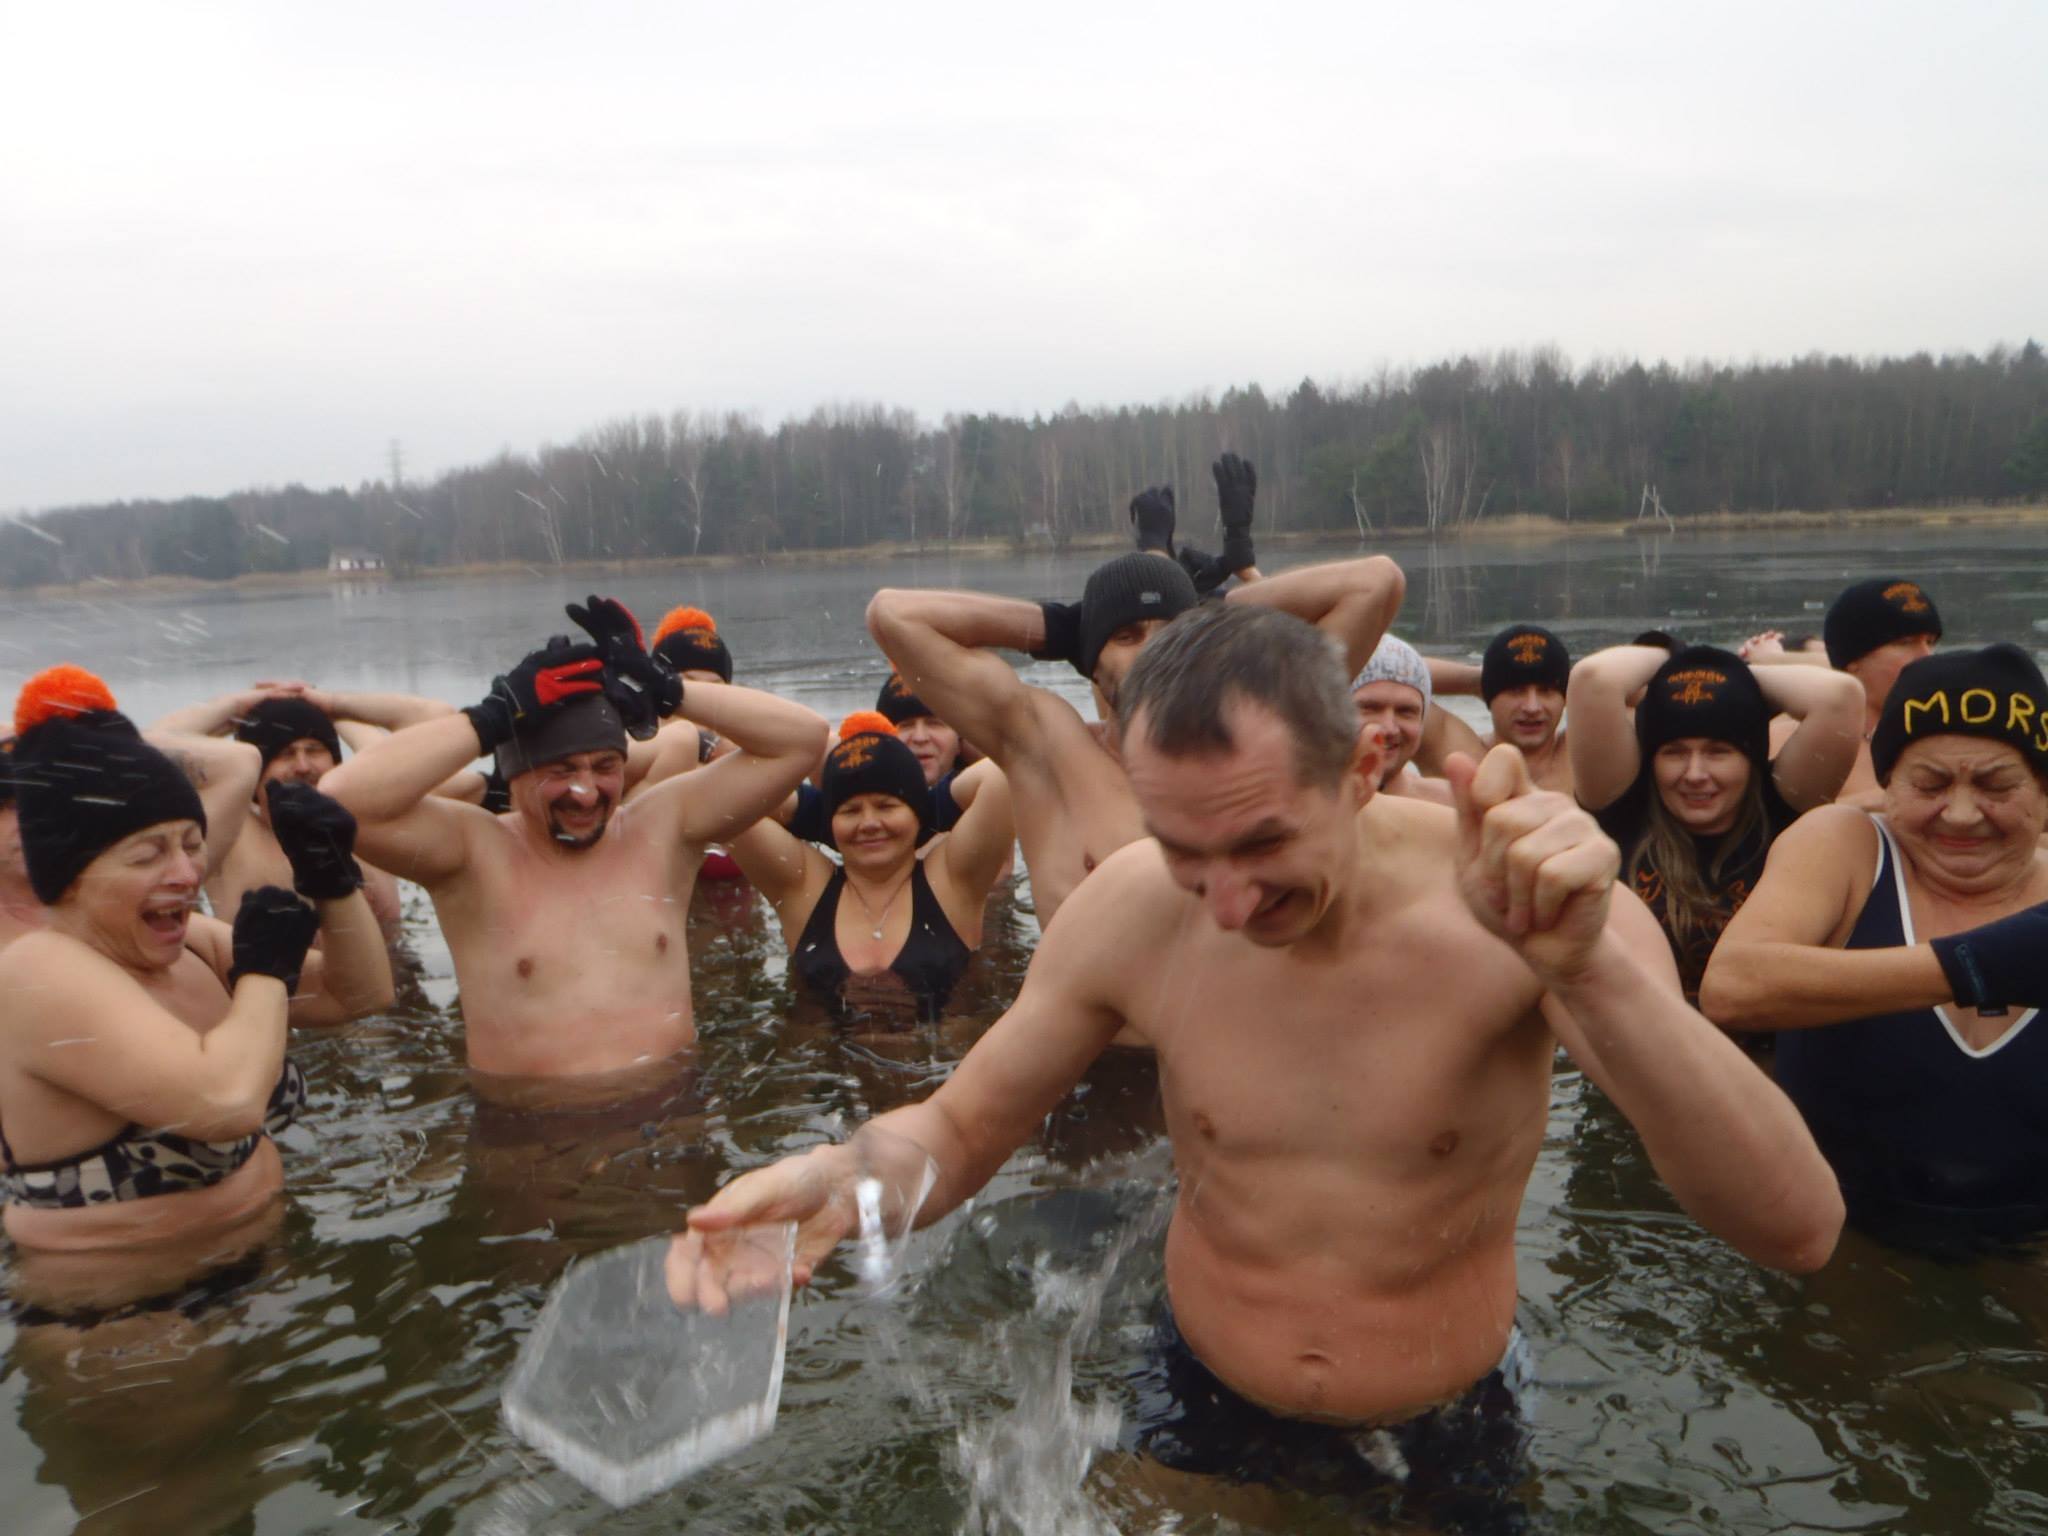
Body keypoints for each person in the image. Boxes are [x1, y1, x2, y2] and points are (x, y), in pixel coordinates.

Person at [680, 604, 1842, 1518]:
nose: (1227, 904)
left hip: (1446, 1407)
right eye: (1184, 849)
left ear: (1361, 766)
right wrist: (842, 1175)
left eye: (1261, 842)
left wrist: (1587, 975)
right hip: (1200, 1383)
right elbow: (958, 1129)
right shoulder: (1132, 911)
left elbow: (1794, 1226)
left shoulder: (1518, 908)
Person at [0, 666, 391, 1315]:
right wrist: (265, 972)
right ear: (71, 876)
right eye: (147, 854)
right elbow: (225, 1101)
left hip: (269, 1258)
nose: (186, 873)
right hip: (127, 1314)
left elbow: (359, 995)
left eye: (190, 844)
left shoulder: (191, 946)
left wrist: (331, 881)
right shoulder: (34, 971)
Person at [866, 457, 1404, 926]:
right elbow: (894, 615)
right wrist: (1061, 627)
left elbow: (1375, 583)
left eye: (1169, 633)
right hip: (1100, 1015)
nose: (1152, 651)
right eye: (1126, 637)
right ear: (1092, 664)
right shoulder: (1044, 747)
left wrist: (1206, 617)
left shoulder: (1260, 736)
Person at [320, 601, 827, 1097]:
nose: (585, 792)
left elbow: (802, 740)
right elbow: (338, 804)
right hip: (529, 1136)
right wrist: (489, 720)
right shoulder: (471, 854)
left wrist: (666, 688)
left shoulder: (664, 830)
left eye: (604, 767)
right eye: (561, 771)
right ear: (516, 776)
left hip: (673, 1124)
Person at [1702, 644, 2048, 1256]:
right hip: (1844, 1235)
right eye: (1930, 784)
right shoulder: (1846, 846)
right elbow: (1733, 987)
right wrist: (1974, 966)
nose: (1961, 814)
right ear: (1887, 785)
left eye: (1996, 786)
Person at [1567, 643, 1863, 1000]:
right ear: (1651, 760)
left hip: (1764, 1028)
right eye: (1674, 752)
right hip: (1643, 1026)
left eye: (1718, 752)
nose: (1695, 774)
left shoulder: (1783, 806)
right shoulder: (1624, 809)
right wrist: (1670, 658)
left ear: (1751, 760)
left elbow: (1840, 696)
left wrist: (1729, 676)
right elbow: (1593, 679)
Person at [727, 712, 1015, 1024]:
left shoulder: (951, 881)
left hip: (952, 1055)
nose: (869, 823)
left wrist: (930, 809)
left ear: (917, 812)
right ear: (829, 822)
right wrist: (814, 813)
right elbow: (729, 797)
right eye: (850, 811)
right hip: (822, 1056)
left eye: (886, 806)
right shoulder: (803, 887)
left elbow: (1007, 770)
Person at [155, 683, 453, 942]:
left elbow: (441, 725)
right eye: (285, 754)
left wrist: (335, 708)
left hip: (395, 983)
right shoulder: (231, 833)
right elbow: (145, 748)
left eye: (314, 749)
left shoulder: (369, 819)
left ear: (336, 762)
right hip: (283, 989)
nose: (302, 766)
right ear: (255, 770)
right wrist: (235, 707)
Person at [1752, 578, 1943, 804]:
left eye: (1930, 642)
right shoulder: (1784, 741)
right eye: (1905, 642)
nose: (1926, 657)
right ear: (1855, 661)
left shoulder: (1949, 735)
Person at [1349, 634, 1452, 807]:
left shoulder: (1448, 805)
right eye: (1370, 708)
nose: (1389, 728)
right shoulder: (1303, 807)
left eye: (1406, 711)